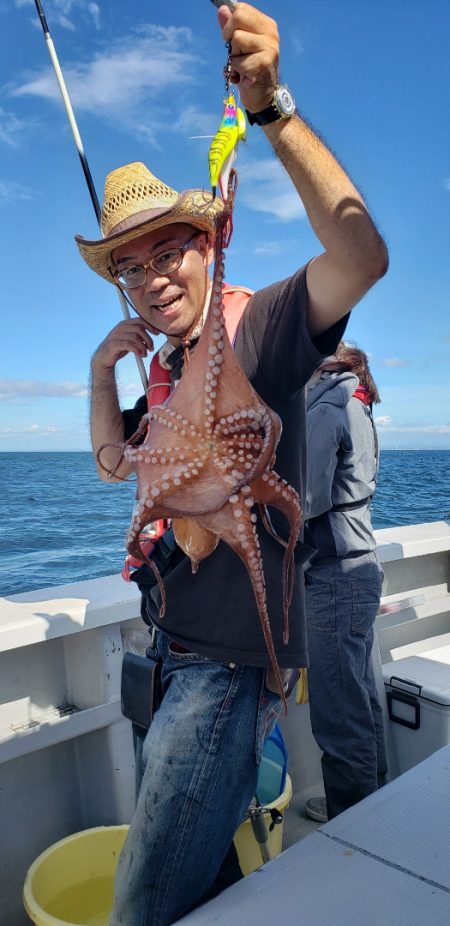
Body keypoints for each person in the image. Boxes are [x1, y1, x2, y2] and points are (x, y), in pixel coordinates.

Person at [77, 4, 388, 923]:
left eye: (170, 249)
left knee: (141, 904)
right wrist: (103, 369)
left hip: (224, 673)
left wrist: (272, 109)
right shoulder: (163, 381)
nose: (156, 276)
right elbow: (109, 464)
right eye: (133, 268)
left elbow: (361, 254)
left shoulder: (257, 332)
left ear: (207, 243)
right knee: (201, 881)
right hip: (169, 648)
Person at [304, 343, 387, 823]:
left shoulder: (328, 405)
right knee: (359, 696)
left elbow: (309, 499)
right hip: (360, 568)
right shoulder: (358, 402)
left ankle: (352, 816)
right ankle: (373, 800)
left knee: (338, 710)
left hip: (335, 577)